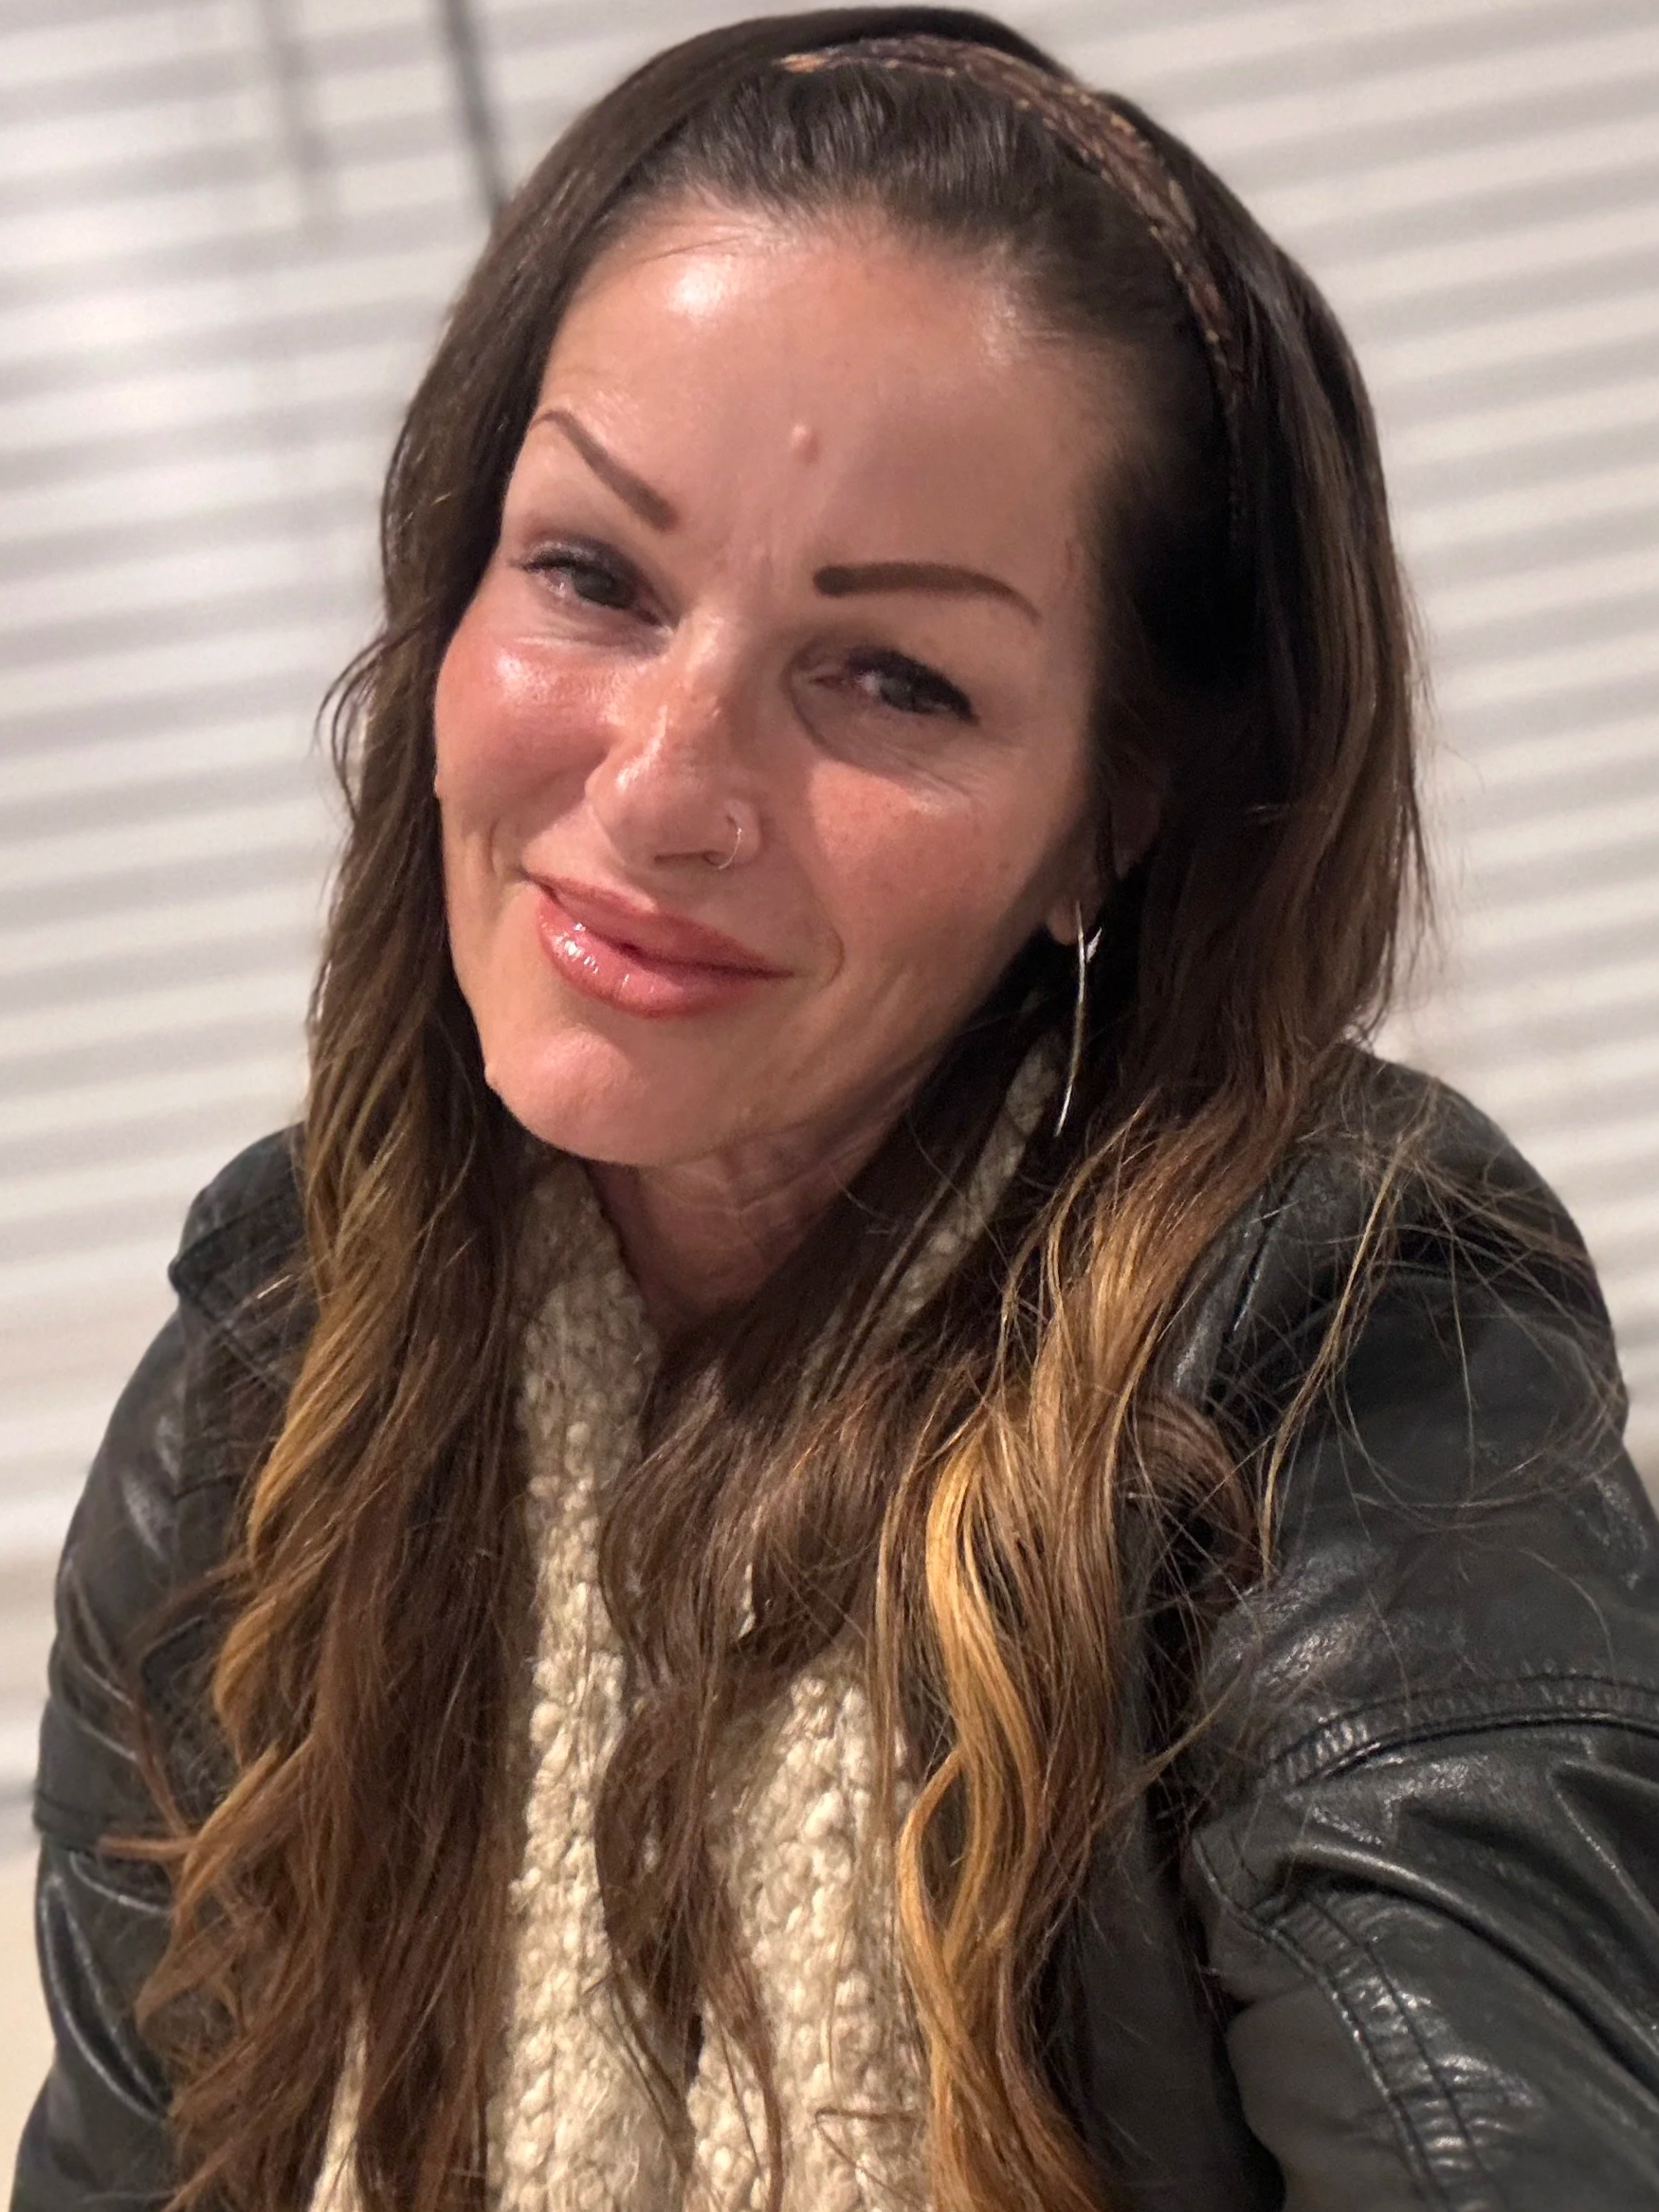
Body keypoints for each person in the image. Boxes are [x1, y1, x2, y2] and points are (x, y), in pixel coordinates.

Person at [13, 9, 1659, 2211]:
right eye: (589, 573)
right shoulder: (260, 1405)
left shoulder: (1328, 1338)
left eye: (893, 676)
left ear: (1113, 808)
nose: (664, 787)